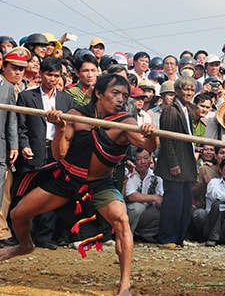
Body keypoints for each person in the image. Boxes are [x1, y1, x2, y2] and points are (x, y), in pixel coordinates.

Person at [0, 74, 159, 296]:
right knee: (18, 215)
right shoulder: (75, 115)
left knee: (122, 220)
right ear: (98, 94)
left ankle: (125, 284)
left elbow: (147, 145)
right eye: (115, 94)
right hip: (66, 180)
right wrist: (61, 128)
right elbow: (58, 154)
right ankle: (25, 245)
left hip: (99, 185)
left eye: (124, 95)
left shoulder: (126, 122)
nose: (121, 99)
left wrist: (152, 137)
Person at [16, 57, 74, 250]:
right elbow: (21, 126)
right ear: (40, 74)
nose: (52, 79)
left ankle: (45, 237)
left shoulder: (66, 100)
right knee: (27, 194)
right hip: (34, 151)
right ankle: (24, 237)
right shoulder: (26, 97)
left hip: (57, 152)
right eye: (49, 74)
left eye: (56, 76)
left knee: (51, 193)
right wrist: (24, 145)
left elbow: (70, 129)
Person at [155, 76, 198, 250]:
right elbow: (167, 140)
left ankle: (179, 238)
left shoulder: (187, 109)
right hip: (175, 164)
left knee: (185, 203)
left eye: (191, 90)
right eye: (185, 89)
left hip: (186, 164)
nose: (189, 93)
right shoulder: (171, 110)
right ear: (177, 91)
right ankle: (166, 238)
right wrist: (173, 164)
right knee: (173, 203)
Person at [0, 48, 21, 246]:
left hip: (2, 147)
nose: (18, 72)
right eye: (14, 68)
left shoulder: (6, 87)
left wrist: (13, 145)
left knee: (3, 189)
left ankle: (1, 231)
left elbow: (11, 120)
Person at [125, 148, 163, 243]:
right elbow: (131, 195)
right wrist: (154, 197)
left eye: (146, 158)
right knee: (138, 207)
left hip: (146, 214)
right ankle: (127, 235)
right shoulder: (129, 173)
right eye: (139, 159)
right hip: (129, 212)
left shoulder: (156, 176)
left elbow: (160, 198)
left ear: (151, 158)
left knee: (164, 211)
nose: (143, 162)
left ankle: (143, 235)